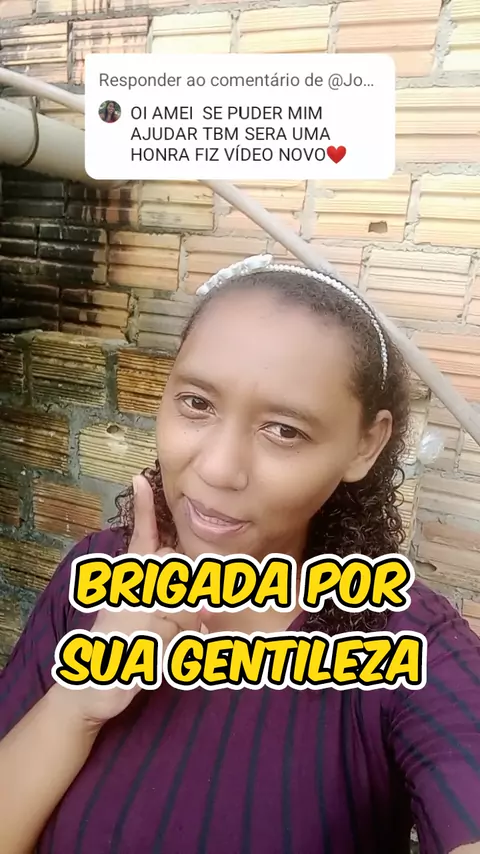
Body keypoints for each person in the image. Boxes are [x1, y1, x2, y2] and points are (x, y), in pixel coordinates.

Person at [1, 256, 480, 854]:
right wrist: (77, 703)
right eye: (197, 403)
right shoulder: (92, 578)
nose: (218, 468)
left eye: (284, 430)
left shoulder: (413, 647)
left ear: (366, 444)